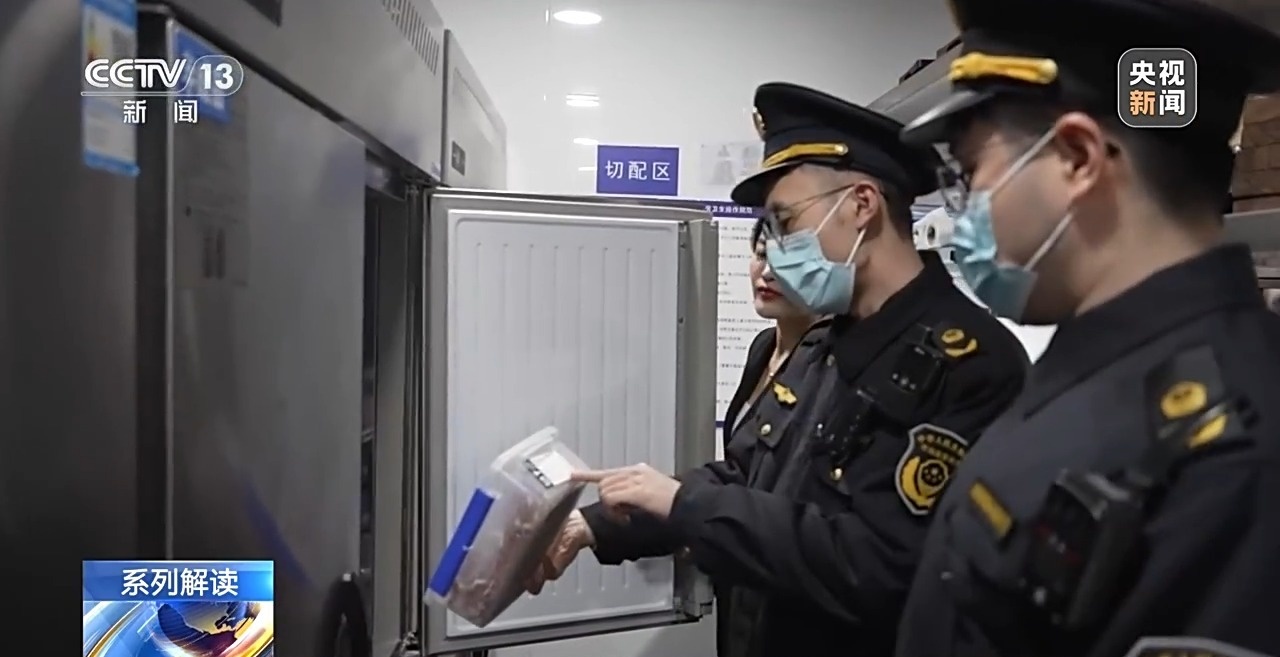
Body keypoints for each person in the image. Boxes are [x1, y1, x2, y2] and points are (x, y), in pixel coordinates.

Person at [528, 82, 1028, 657]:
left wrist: (684, 505)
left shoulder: (970, 365)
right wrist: (595, 524)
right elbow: (746, 475)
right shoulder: (825, 343)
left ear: (862, 205)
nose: (777, 248)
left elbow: (882, 565)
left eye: (786, 222)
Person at [892, 1, 1280, 657]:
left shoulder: (1230, 460)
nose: (961, 214)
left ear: (1077, 157)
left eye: (969, 173)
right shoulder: (1113, 372)